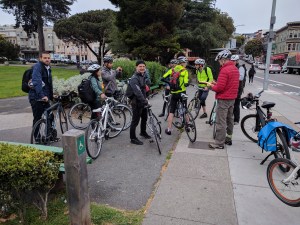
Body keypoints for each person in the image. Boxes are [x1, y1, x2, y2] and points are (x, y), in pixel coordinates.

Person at [207, 49, 239, 149]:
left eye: (220, 61)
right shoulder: (235, 69)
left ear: (224, 60)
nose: (219, 63)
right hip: (232, 98)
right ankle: (228, 138)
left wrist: (210, 86)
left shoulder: (224, 70)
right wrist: (216, 83)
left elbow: (219, 88)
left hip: (224, 99)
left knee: (220, 121)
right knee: (230, 119)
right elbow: (228, 84)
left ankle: (219, 143)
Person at [162, 56, 189, 135]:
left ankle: (169, 129)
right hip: (182, 92)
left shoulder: (172, 70)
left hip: (174, 93)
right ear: (182, 63)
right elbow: (186, 82)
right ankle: (188, 125)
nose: (186, 64)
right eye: (185, 63)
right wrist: (186, 82)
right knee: (185, 109)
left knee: (171, 111)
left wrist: (169, 83)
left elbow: (162, 78)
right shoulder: (184, 71)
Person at [128, 60, 152, 145]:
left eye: (143, 66)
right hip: (136, 102)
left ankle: (143, 132)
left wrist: (146, 98)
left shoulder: (143, 76)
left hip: (143, 101)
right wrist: (144, 101)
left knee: (144, 118)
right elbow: (137, 92)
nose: (142, 68)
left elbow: (144, 89)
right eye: (140, 66)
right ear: (136, 67)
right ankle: (133, 138)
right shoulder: (134, 78)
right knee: (135, 121)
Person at [29, 52, 53, 129]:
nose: (47, 60)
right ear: (40, 58)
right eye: (45, 58)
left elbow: (48, 84)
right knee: (37, 118)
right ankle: (37, 138)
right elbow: (37, 82)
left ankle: (50, 136)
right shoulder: (38, 67)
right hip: (36, 97)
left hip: (44, 97)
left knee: (50, 116)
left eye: (48, 58)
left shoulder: (48, 68)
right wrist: (42, 96)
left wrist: (52, 95)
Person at [231, 55, 246, 125]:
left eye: (234, 61)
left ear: (237, 61)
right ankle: (231, 117)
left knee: (236, 104)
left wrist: (232, 77)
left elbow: (241, 77)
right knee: (231, 103)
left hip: (238, 88)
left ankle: (236, 120)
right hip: (232, 88)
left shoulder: (240, 68)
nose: (233, 62)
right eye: (232, 61)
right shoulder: (231, 67)